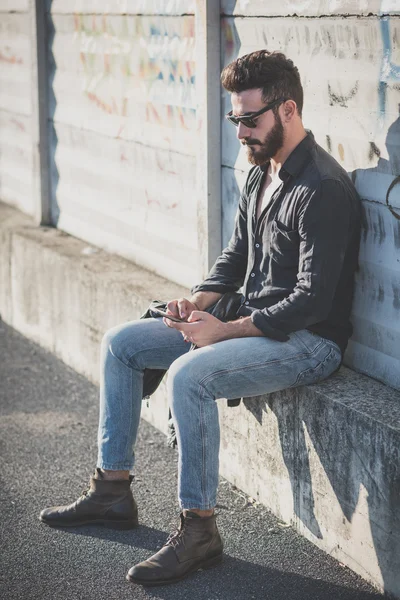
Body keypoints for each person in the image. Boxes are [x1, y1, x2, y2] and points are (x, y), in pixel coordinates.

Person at [40, 50, 361, 586]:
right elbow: (236, 255)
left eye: (250, 120)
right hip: (250, 321)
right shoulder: (262, 172)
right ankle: (112, 492)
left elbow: (312, 302)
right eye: (235, 119)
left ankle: (200, 531)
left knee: (190, 376)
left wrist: (223, 332)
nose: (240, 133)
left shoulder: (322, 189)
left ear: (287, 110)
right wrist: (198, 303)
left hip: (307, 341)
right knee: (123, 342)